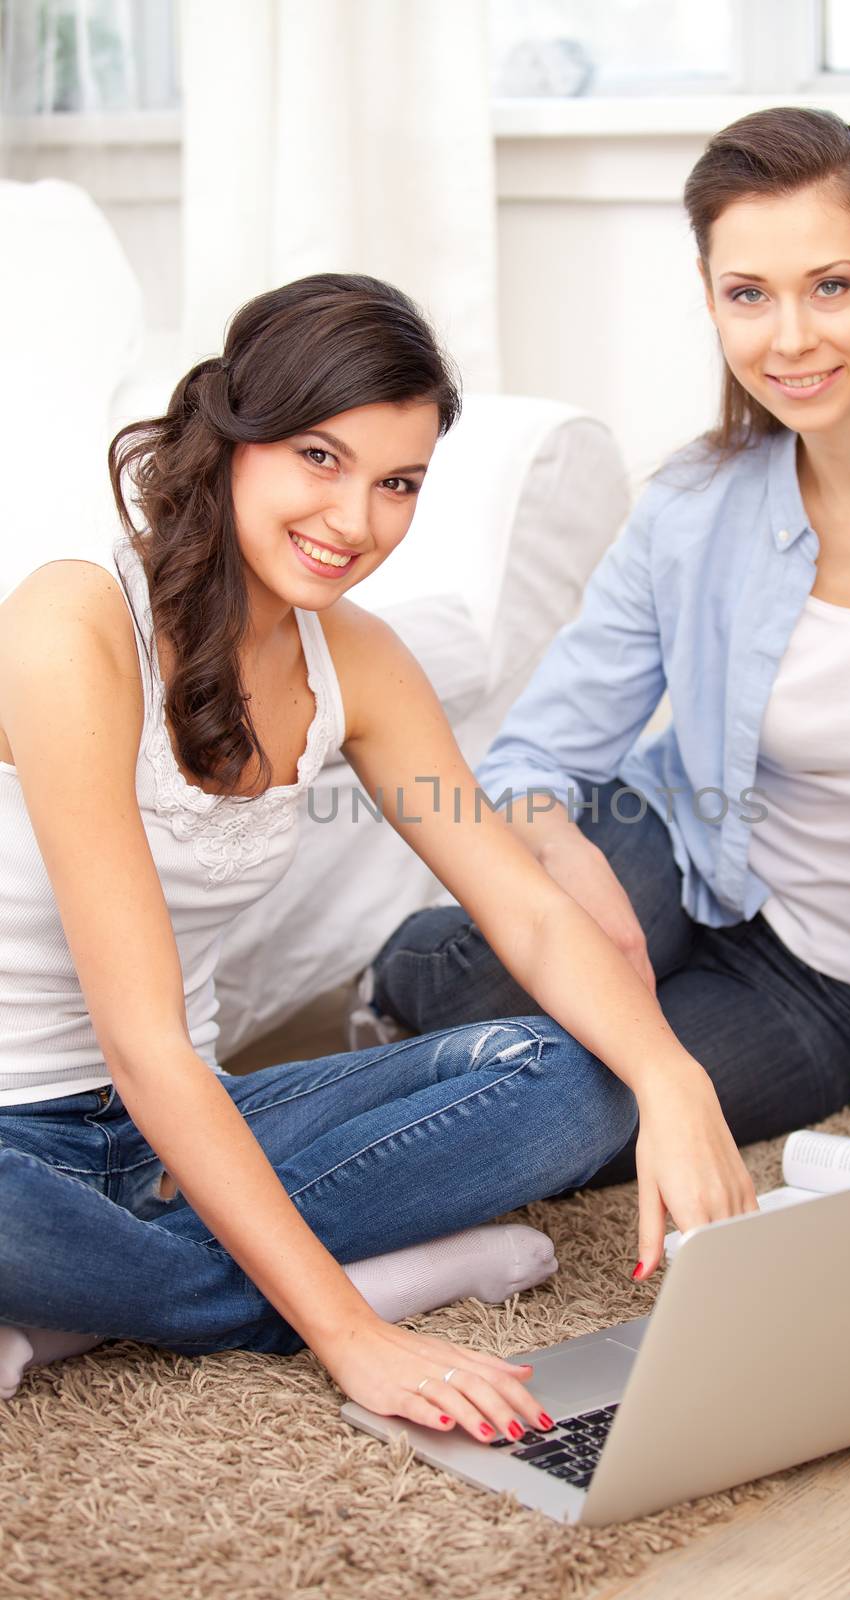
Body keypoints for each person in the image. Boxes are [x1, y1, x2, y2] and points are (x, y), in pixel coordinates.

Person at [0, 274, 759, 1427]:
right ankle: (302, 1285)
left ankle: (115, 1293)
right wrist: (353, 1339)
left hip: (177, 1132)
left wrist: (672, 1076)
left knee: (577, 1076)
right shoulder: (74, 623)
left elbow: (530, 912)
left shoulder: (358, 660)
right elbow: (139, 1038)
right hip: (24, 1130)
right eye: (319, 457)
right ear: (233, 438)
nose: (355, 522)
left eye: (396, 482)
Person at [363, 107, 850, 1177]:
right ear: (709, 298)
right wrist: (560, 857)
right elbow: (532, 756)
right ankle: (397, 992)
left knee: (570, 1113)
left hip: (824, 989)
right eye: (748, 295)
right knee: (488, 980)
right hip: (668, 845)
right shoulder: (690, 504)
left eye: (828, 284)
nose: (788, 338)